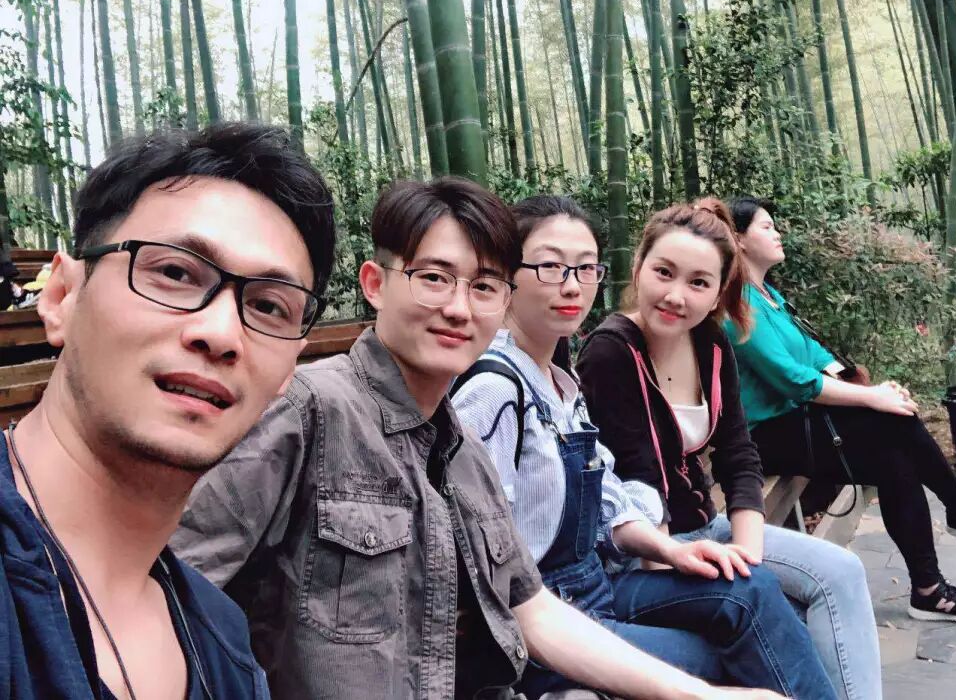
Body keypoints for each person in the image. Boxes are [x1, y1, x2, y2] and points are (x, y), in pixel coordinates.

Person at [172, 178, 785, 700]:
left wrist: (701, 695)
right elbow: (172, 588)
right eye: (435, 278)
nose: (460, 309)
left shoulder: (463, 451)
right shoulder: (309, 412)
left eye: (485, 286)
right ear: (375, 283)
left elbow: (533, 610)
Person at [0, 123, 337, 698]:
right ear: (61, 297)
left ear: (289, 370)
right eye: (175, 273)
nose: (221, 332)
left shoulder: (227, 651)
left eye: (268, 306)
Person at [452, 195, 833, 699]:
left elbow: (608, 498)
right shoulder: (495, 391)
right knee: (726, 654)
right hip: (546, 622)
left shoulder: (560, 384)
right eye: (550, 266)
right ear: (505, 274)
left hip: (595, 589)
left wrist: (672, 550)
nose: (572, 285)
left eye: (585, 268)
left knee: (751, 589)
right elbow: (485, 562)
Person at [577, 200, 880, 700]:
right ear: (638, 267)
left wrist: (747, 553)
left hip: (706, 528)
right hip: (640, 552)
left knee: (841, 573)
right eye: (664, 272)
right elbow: (639, 480)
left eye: (698, 282)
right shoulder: (612, 352)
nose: (676, 296)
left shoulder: (711, 343)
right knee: (763, 606)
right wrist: (696, 579)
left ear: (718, 292)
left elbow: (738, 453)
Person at [716, 196, 956, 625]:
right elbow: (792, 379)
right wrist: (873, 398)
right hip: (766, 436)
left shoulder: (767, 295)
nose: (778, 233)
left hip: (796, 420)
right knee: (892, 420)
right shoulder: (735, 306)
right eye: (767, 227)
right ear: (738, 239)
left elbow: (813, 355)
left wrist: (867, 386)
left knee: (895, 461)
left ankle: (929, 589)